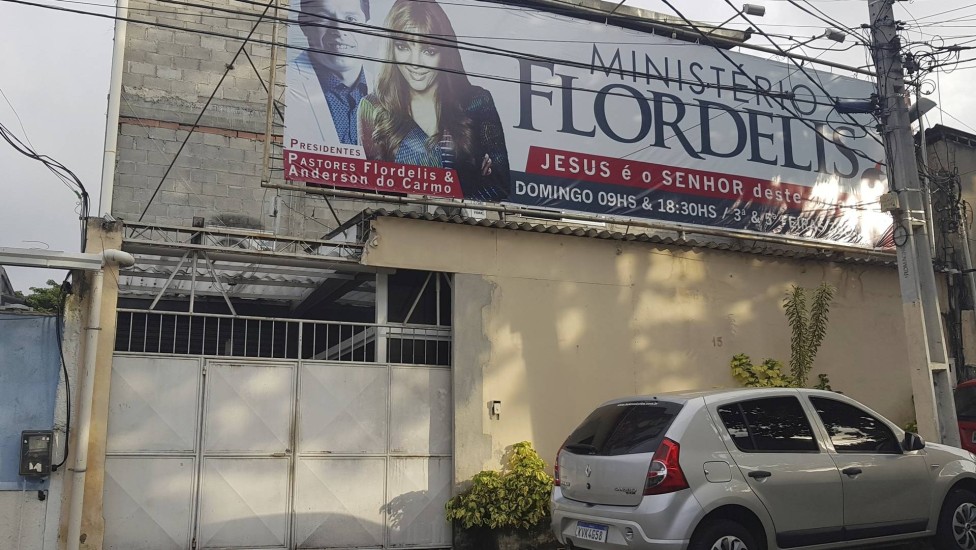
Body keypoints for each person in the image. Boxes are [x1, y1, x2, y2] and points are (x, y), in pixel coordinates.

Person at [357, 0, 511, 201]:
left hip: (465, 227)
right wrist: (471, 182)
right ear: (391, 49)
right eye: (403, 47)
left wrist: (450, 200)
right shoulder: (373, 107)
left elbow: (500, 185)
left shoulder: (477, 101)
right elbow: (374, 187)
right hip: (400, 225)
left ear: (445, 53)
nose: (415, 63)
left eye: (429, 51)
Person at [292, 0, 371, 145]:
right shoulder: (285, 88)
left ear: (367, 26)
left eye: (350, 19)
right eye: (325, 18)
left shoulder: (396, 96)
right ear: (304, 24)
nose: (339, 30)